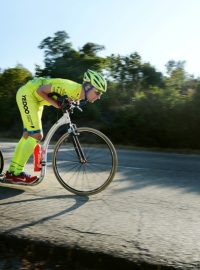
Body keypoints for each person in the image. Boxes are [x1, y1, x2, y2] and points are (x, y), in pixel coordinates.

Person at [5, 69, 107, 184]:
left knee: (27, 135)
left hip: (36, 101)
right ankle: (16, 173)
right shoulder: (70, 87)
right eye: (98, 92)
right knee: (36, 135)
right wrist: (57, 105)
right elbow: (40, 90)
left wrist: (70, 103)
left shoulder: (79, 94)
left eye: (101, 94)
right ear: (88, 87)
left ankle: (12, 171)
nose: (99, 97)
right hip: (28, 94)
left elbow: (70, 100)